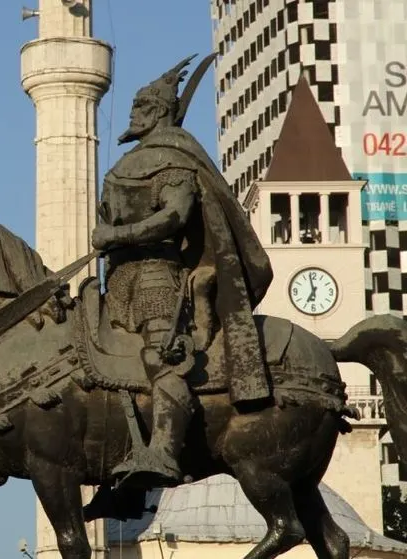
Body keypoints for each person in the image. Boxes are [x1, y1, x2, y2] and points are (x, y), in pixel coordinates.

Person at [92, 55, 274, 488]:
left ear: (158, 112)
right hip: (118, 278)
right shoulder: (124, 165)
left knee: (162, 359)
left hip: (157, 274)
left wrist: (121, 235)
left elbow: (175, 216)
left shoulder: (173, 160)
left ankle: (164, 453)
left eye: (140, 106)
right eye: (134, 106)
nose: (133, 114)